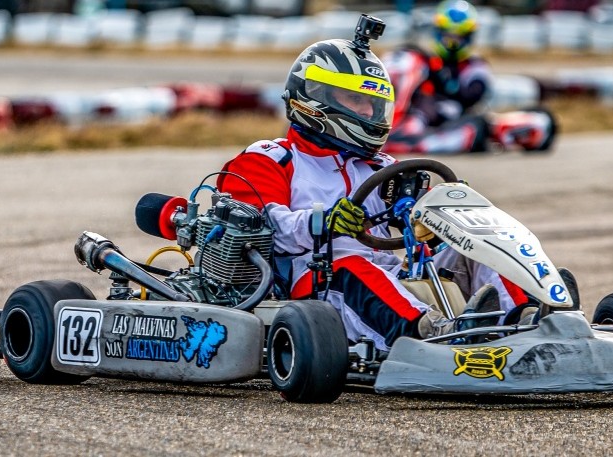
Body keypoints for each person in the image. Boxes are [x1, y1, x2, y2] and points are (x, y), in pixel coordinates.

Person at [216, 24, 530, 352]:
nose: (368, 112)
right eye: (355, 99)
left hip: (387, 276)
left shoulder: (379, 166)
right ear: (314, 96)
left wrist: (444, 215)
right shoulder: (271, 159)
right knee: (352, 264)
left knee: (476, 240)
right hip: (315, 287)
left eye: (371, 102)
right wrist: (321, 222)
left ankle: (528, 318)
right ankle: (437, 337)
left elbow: (415, 223)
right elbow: (263, 227)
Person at [382, 0, 493, 154]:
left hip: (450, 114)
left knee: (434, 106)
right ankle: (386, 122)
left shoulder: (475, 67)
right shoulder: (426, 60)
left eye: (458, 38)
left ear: (468, 37)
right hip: (415, 109)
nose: (452, 43)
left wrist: (442, 78)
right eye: (448, 36)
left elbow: (471, 97)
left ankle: (408, 135)